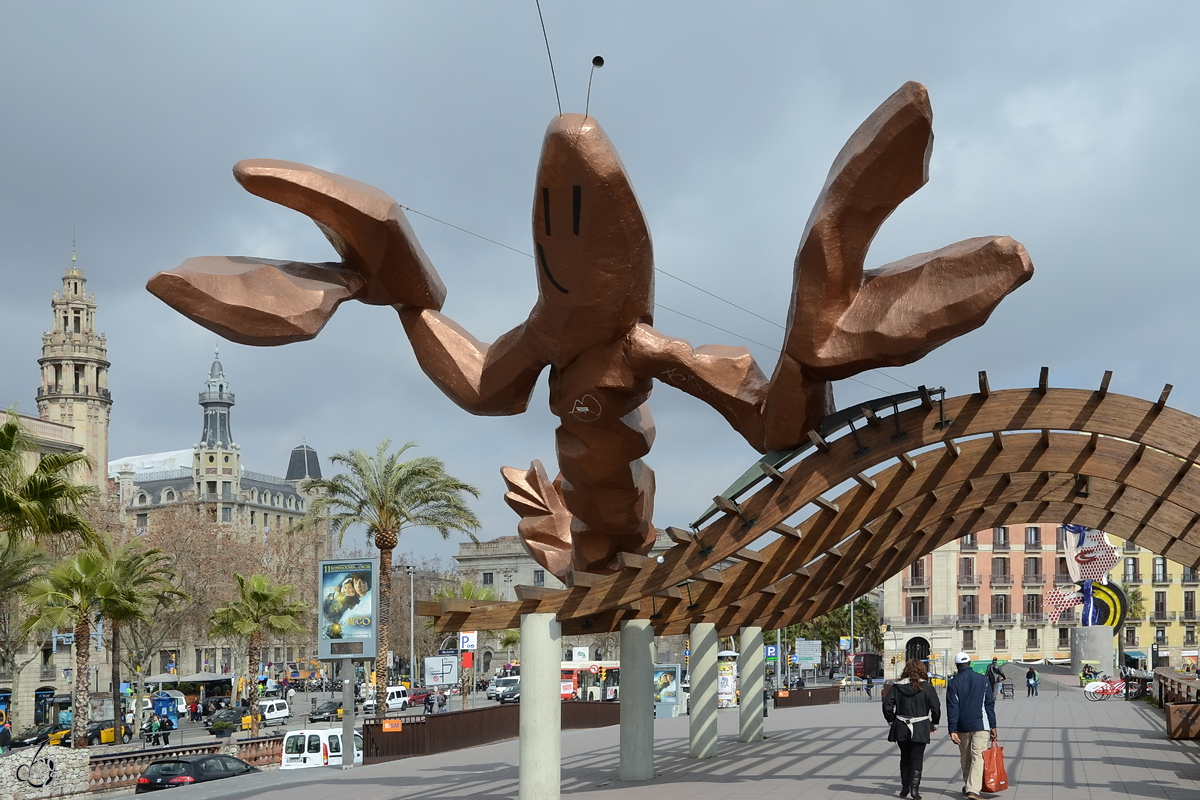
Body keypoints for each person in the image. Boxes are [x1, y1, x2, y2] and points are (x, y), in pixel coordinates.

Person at [882, 659, 941, 799]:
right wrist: (934, 724)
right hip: (920, 726)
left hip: (901, 725)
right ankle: (914, 789)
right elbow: (936, 708)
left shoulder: (897, 687)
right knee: (917, 758)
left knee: (905, 757)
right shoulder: (927, 687)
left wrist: (892, 721)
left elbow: (886, 706)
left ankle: (904, 788)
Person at [947, 652, 998, 800]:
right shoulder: (983, 680)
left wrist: (952, 730)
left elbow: (952, 708)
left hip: (962, 725)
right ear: (970, 663)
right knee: (978, 756)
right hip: (981, 724)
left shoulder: (953, 683)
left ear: (957, 665)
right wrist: (993, 725)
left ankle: (970, 786)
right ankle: (973, 789)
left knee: (965, 757)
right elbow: (989, 704)